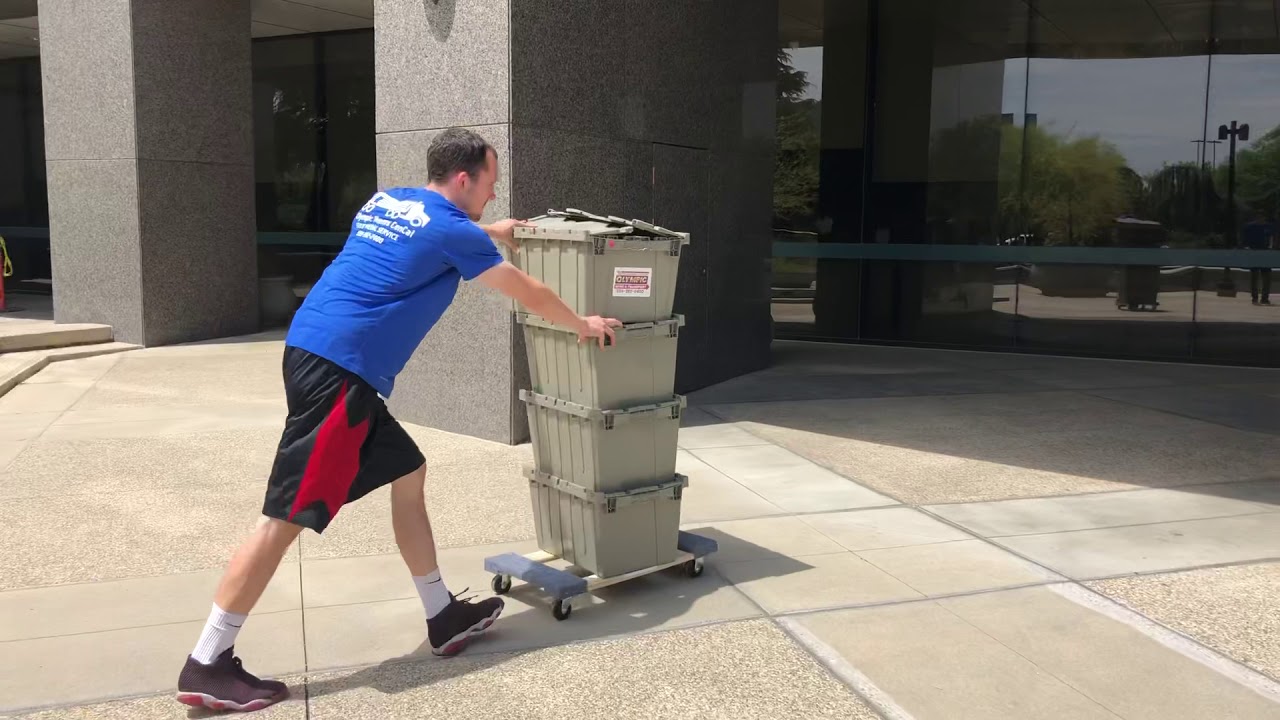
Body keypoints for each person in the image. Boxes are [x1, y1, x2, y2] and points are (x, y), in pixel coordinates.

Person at [175, 127, 621, 712]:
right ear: (464, 179)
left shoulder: (387, 201)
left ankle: (442, 614)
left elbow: (430, 236)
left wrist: (492, 232)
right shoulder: (452, 230)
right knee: (283, 518)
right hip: (341, 374)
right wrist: (583, 323)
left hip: (313, 350)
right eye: (489, 185)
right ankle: (207, 661)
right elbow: (527, 290)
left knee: (409, 472)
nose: (492, 197)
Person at [1242, 212, 1274, 305]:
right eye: (1259, 217)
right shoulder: (1249, 227)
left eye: (1262, 217)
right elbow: (1245, 240)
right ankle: (1254, 297)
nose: (1261, 219)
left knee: (1267, 276)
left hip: (1265, 254)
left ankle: (1265, 297)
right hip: (1254, 253)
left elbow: (1271, 238)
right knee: (1254, 276)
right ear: (1256, 217)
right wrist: (1246, 248)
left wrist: (1271, 249)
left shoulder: (1269, 227)